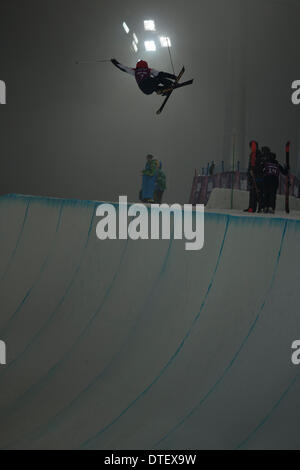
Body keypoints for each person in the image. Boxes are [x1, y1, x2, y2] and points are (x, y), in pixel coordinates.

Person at [111, 58, 177, 96]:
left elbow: (123, 68)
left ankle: (163, 90)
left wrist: (115, 62)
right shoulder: (149, 70)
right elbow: (161, 74)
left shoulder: (135, 71)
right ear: (146, 65)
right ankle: (168, 85)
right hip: (146, 83)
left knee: (155, 84)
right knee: (158, 79)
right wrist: (173, 77)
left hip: (145, 89)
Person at [244, 141, 264, 213]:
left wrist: (254, 170)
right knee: (252, 192)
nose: (252, 148)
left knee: (258, 192)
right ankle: (251, 207)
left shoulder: (259, 155)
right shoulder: (251, 155)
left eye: (254, 146)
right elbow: (250, 166)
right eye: (251, 146)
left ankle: (260, 208)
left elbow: (260, 166)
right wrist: (249, 174)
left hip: (258, 177)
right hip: (252, 176)